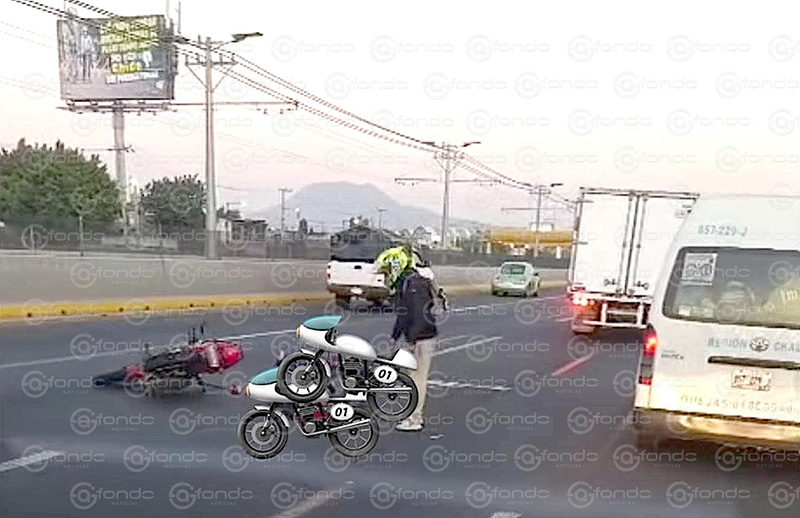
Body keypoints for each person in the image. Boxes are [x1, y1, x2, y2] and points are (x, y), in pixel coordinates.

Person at [386, 259, 442, 432]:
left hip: (420, 338)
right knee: (416, 377)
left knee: (416, 379)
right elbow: (406, 313)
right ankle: (413, 416)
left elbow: (415, 313)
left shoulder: (412, 285)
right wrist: (396, 336)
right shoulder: (419, 283)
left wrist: (411, 340)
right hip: (424, 335)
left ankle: (414, 419)